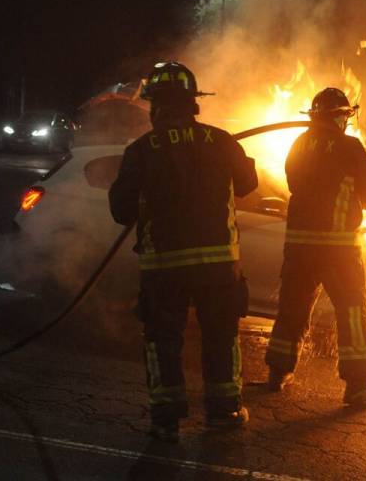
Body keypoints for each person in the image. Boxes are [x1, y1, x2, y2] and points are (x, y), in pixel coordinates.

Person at [108, 62, 258, 443]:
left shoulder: (141, 150)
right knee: (221, 337)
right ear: (194, 104)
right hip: (218, 265)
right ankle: (224, 412)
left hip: (165, 267)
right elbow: (248, 184)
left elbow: (120, 211)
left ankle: (165, 420)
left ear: (155, 107)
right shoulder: (220, 140)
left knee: (163, 340)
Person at [265, 87, 366, 408]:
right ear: (339, 117)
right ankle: (358, 386)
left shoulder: (299, 144)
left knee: (291, 309)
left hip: (299, 247)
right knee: (351, 312)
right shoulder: (349, 147)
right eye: (345, 116)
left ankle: (276, 375)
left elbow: (293, 183)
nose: (346, 122)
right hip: (338, 249)